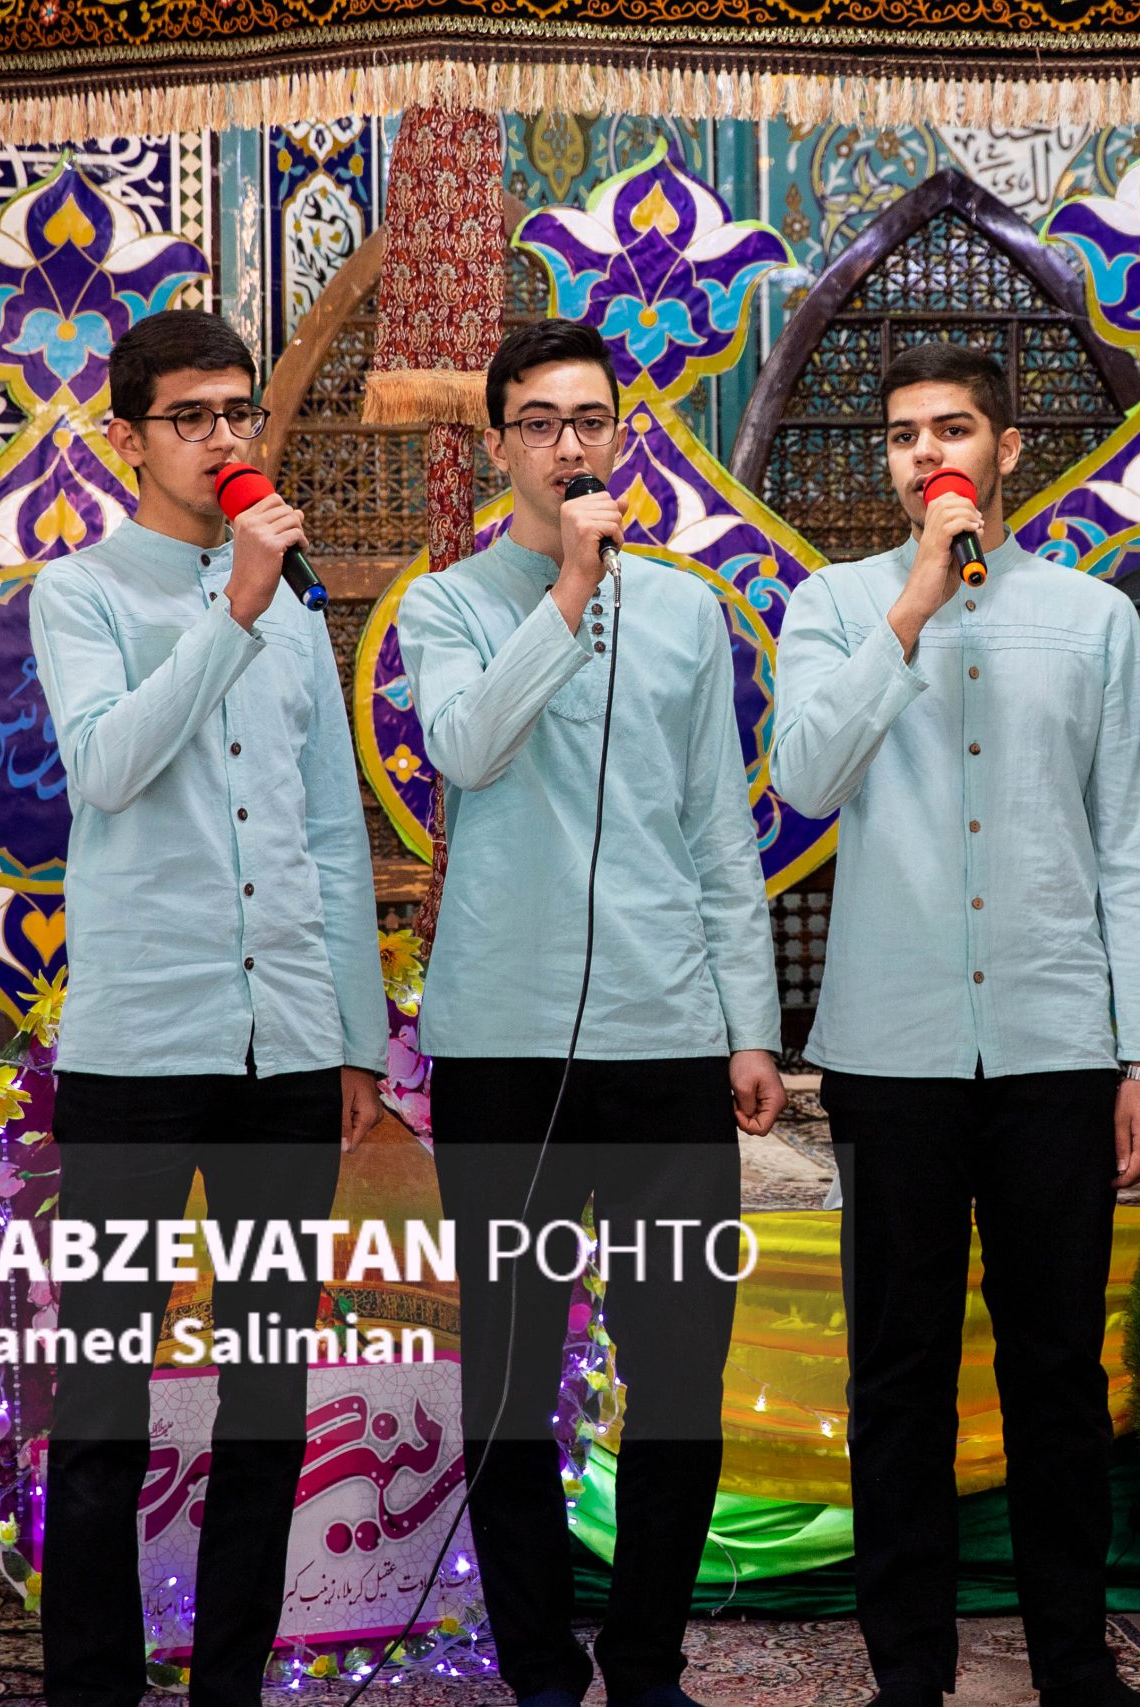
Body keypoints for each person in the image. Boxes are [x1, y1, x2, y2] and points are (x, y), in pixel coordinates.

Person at [769, 342, 1140, 1707]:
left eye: (951, 431)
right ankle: (910, 1671)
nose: (926, 456)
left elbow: (1133, 843)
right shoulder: (835, 605)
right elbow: (804, 777)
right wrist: (907, 610)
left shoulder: (1090, 618)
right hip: (890, 1050)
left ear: (1007, 452)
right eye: (904, 436)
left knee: (1056, 1366)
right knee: (898, 1369)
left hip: (1056, 1043)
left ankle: (1074, 1663)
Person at [397, 317, 785, 1707]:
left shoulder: (685, 611)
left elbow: (717, 832)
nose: (570, 444)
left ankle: (646, 1661)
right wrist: (565, 589)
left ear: (620, 435)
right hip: (504, 1050)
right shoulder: (447, 607)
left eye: (591, 420)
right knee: (511, 1378)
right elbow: (466, 747)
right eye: (541, 422)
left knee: (679, 1375)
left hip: (665, 1038)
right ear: (501, 441)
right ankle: (541, 1670)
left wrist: (748, 1024)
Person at [31, 306, 386, 1707]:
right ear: (130, 439)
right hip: (138, 1050)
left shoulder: (293, 610)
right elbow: (106, 768)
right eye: (191, 417)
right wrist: (229, 608)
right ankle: (93, 1688)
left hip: (283, 1050)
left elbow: (331, 833)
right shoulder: (82, 594)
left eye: (239, 411)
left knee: (268, 1402)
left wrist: (351, 1034)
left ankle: (229, 1684)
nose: (224, 438)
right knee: (103, 1400)